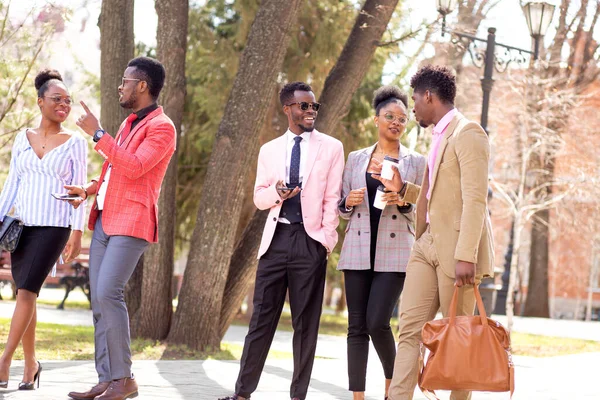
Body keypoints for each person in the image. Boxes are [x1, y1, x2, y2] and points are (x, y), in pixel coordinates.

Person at [219, 82, 345, 400]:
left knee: (306, 325)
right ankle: (242, 393)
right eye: (304, 106)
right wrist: (277, 192)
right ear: (287, 108)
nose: (311, 111)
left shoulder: (331, 147)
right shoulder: (269, 151)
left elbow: (333, 199)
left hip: (309, 241)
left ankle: (298, 396)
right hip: (275, 240)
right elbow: (260, 198)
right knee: (261, 320)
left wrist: (325, 242)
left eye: (314, 106)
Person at [377, 65, 494, 400]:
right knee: (409, 330)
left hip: (457, 251)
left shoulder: (469, 132)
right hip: (425, 244)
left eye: (414, 99)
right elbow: (439, 196)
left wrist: (465, 256)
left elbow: (475, 200)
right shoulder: (439, 136)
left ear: (428, 96)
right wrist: (405, 189)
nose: (412, 107)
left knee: (459, 339)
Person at [65, 56, 176, 400]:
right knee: (99, 300)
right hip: (105, 217)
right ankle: (107, 380)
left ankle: (124, 379)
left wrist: (98, 133)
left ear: (142, 85)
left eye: (126, 80)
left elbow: (135, 167)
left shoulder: (163, 127)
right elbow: (114, 168)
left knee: (109, 291)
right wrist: (89, 188)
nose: (120, 85)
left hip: (132, 221)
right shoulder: (129, 123)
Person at [0, 69, 87, 390]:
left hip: (54, 227)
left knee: (25, 293)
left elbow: (80, 192)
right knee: (29, 295)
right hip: (22, 228)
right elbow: (12, 184)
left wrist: (77, 232)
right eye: (57, 99)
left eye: (67, 100)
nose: (64, 104)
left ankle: (4, 361)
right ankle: (32, 367)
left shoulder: (75, 143)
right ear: (40, 102)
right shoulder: (23, 139)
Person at [337, 86, 426, 400]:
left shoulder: (416, 162)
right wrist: (348, 201)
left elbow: (417, 208)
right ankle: (357, 396)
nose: (396, 123)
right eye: (390, 116)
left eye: (402, 119)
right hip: (358, 250)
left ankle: (394, 386)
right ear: (376, 119)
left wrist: (399, 197)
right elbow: (342, 208)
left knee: (378, 322)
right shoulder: (356, 158)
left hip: (396, 251)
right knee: (356, 327)